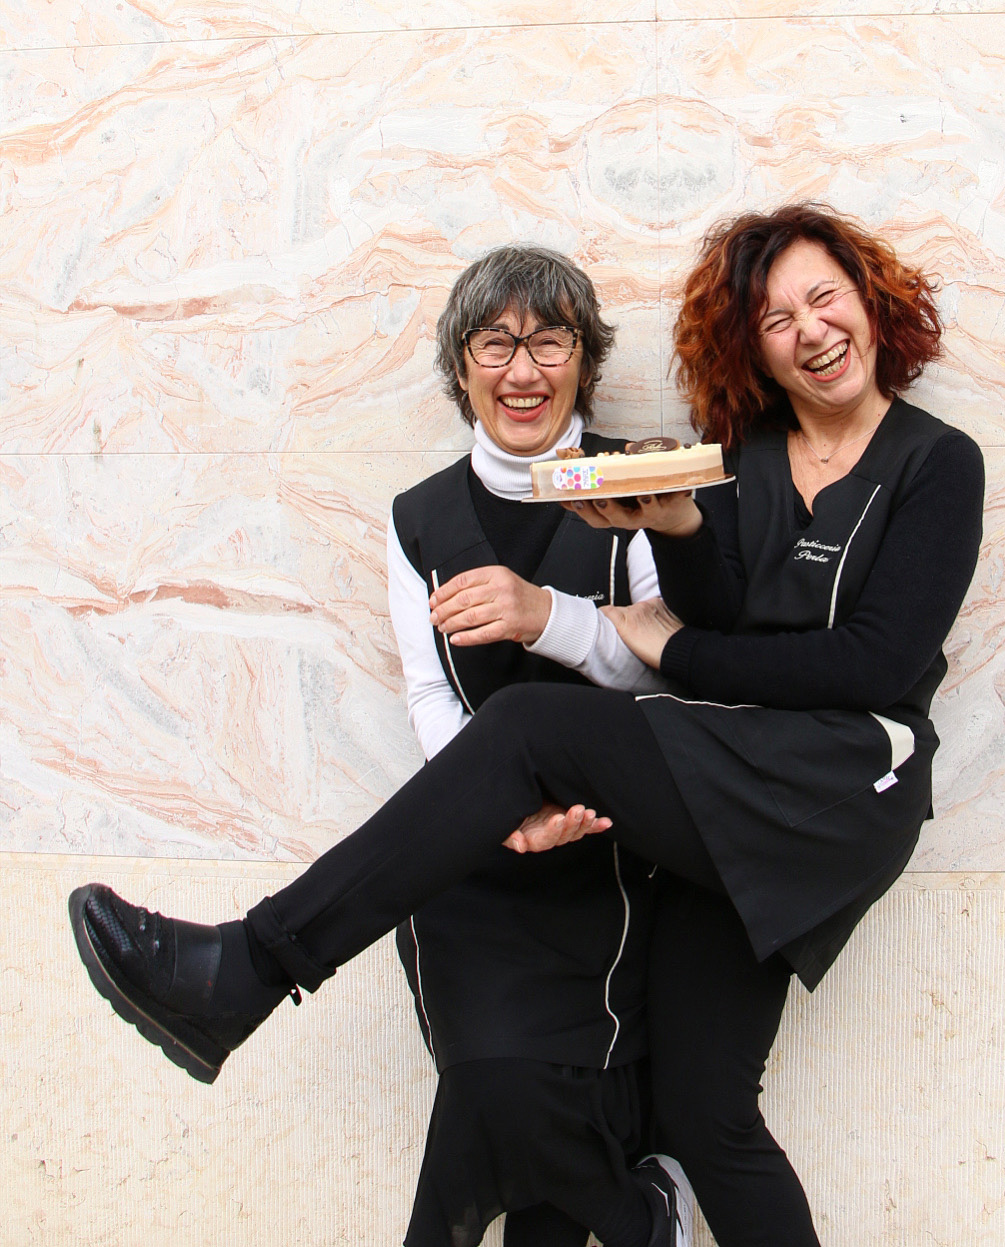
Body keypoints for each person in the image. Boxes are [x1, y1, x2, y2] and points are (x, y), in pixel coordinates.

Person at [69, 203, 985, 1245]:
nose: (809, 329)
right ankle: (249, 975)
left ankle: (247, 965)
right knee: (704, 1113)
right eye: (775, 318)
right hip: (725, 786)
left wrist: (660, 645)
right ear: (752, 347)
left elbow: (865, 662)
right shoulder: (737, 455)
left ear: (869, 303)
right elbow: (717, 607)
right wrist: (678, 524)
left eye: (824, 297)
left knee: (532, 725)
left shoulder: (934, 461)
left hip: (837, 786)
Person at [385, 244, 687, 1247]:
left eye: (548, 340)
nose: (522, 369)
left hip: (598, 861)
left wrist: (546, 616)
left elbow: (665, 673)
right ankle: (638, 1213)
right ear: (460, 364)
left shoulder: (635, 490)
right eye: (494, 342)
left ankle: (630, 1216)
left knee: (517, 1133)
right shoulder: (417, 516)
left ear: (582, 361)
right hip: (467, 868)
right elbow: (429, 688)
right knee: (487, 1087)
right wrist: (494, 806)